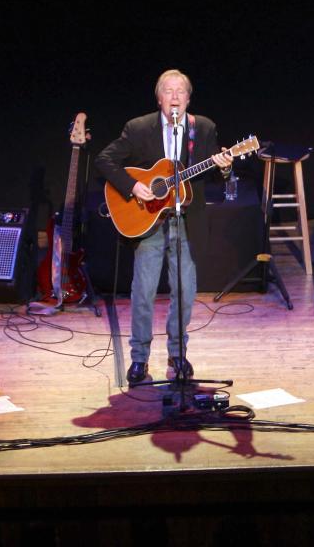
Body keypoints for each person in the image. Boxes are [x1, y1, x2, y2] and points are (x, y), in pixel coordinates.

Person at [96, 69, 233, 383]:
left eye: (180, 91)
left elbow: (213, 172)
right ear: (159, 99)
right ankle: (139, 359)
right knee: (143, 292)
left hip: (187, 220)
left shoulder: (205, 128)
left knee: (184, 292)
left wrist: (224, 168)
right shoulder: (139, 128)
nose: (174, 97)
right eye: (168, 91)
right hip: (149, 219)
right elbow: (105, 160)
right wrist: (132, 186)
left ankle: (177, 353)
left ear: (188, 98)